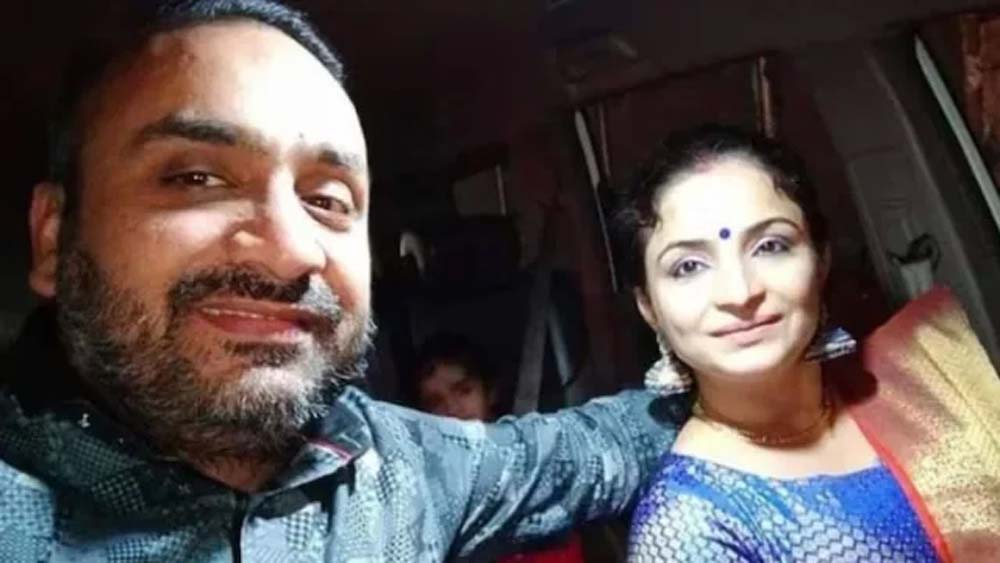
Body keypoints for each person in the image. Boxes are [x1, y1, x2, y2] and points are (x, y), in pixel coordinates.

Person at [0, 1, 686, 561]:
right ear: (54, 238)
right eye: (197, 177)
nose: (292, 251)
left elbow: (603, 446)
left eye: (327, 199)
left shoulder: (407, 470)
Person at [615, 124, 1000, 562]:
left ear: (821, 261)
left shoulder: (923, 381)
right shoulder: (687, 527)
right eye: (688, 267)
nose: (740, 293)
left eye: (770, 245)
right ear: (648, 305)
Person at [412, 333, 590, 563]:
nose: (451, 409)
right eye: (435, 402)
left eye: (463, 391)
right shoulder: (430, 491)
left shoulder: (536, 457)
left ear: (491, 392)